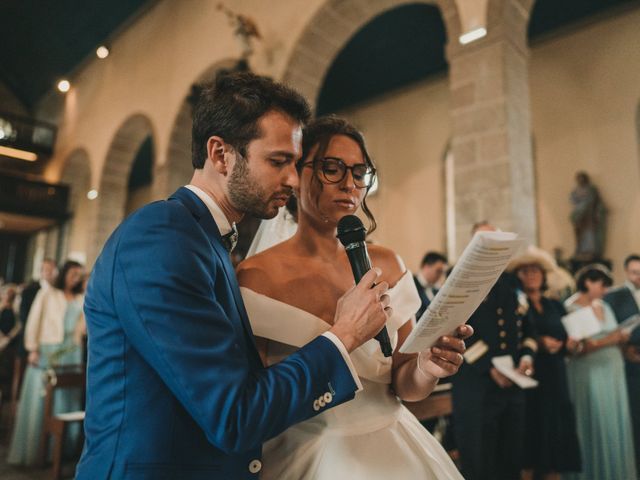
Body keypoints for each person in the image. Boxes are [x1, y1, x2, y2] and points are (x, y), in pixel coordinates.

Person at [75, 73, 392, 480]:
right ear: (221, 154)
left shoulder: (206, 238)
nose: (294, 180)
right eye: (278, 161)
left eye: (296, 164)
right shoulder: (161, 239)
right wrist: (344, 334)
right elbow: (234, 415)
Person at [236, 116, 470, 479]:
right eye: (332, 169)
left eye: (360, 173)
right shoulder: (257, 277)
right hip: (312, 451)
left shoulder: (387, 263)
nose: (349, 184)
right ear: (297, 174)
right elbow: (258, 400)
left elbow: (404, 383)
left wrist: (428, 367)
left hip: (395, 440)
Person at [451, 221, 537, 480]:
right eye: (483, 240)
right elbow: (453, 329)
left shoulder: (511, 282)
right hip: (477, 388)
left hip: (511, 387)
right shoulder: (461, 279)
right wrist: (489, 367)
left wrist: (526, 357)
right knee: (480, 463)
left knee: (511, 460)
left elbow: (527, 328)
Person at [507, 246, 581, 480]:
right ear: (518, 276)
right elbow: (513, 339)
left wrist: (570, 344)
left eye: (536, 271)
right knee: (531, 439)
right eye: (526, 271)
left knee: (556, 439)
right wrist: (539, 342)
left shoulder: (555, 305)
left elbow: (571, 334)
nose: (531, 275)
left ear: (544, 275)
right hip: (532, 377)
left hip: (557, 376)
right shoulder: (516, 305)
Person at [7, 260, 85, 466]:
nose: (76, 278)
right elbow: (34, 320)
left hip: (72, 351)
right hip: (48, 349)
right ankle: (38, 449)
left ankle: (62, 451)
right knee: (41, 399)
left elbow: (83, 326)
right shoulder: (48, 294)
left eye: (79, 275)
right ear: (64, 274)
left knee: (66, 398)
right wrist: (32, 347)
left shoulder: (81, 297)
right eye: (72, 274)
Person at [564, 264, 637, 480]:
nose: (605, 290)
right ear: (587, 282)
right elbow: (580, 347)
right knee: (595, 420)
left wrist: (623, 342)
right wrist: (611, 339)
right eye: (601, 285)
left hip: (613, 372)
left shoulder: (604, 306)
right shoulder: (570, 308)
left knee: (613, 422)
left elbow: (614, 334)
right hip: (589, 373)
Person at [603, 254, 640, 474]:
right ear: (627, 272)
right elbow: (609, 328)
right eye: (635, 272)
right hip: (629, 364)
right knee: (634, 416)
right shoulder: (614, 296)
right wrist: (625, 349)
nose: (638, 277)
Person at [569, 171, 607, 261]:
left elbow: (595, 201)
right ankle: (581, 251)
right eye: (579, 179)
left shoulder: (592, 189)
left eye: (582, 178)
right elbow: (572, 200)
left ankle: (590, 251)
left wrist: (594, 212)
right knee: (580, 235)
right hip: (580, 216)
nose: (580, 181)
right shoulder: (576, 190)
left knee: (589, 234)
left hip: (589, 216)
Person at [413, 251, 448, 320]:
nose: (441, 276)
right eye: (438, 271)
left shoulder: (437, 290)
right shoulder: (410, 285)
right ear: (426, 266)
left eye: (443, 272)